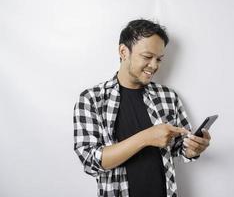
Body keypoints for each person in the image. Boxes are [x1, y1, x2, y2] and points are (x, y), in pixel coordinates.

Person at [73, 19, 211, 197]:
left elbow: (179, 146)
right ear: (123, 51)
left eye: (159, 59)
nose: (154, 65)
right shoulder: (92, 99)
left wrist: (193, 148)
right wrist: (146, 137)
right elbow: (91, 161)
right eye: (147, 57)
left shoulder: (168, 96)